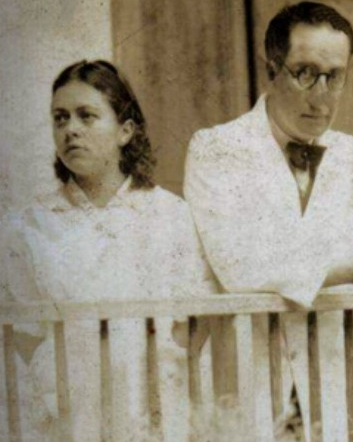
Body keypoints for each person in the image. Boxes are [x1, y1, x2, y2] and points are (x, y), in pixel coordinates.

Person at [0, 60, 215, 440]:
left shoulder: (170, 215)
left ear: (125, 131)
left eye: (87, 116)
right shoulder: (29, 226)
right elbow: (24, 336)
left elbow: (192, 326)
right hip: (66, 414)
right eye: (60, 118)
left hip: (154, 410)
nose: (71, 130)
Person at [184, 1, 353, 308]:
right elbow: (238, 267)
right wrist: (347, 270)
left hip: (331, 337)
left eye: (335, 76)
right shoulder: (216, 147)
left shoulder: (347, 152)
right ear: (271, 71)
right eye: (305, 73)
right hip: (250, 336)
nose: (320, 97)